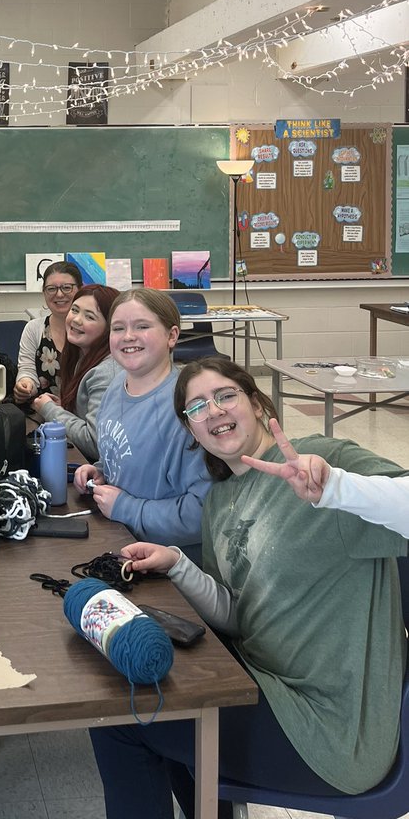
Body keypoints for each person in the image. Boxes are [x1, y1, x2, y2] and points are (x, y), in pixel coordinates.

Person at [91, 356, 409, 819]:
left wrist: (337, 489)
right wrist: (178, 563)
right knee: (149, 685)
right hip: (261, 686)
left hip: (330, 730)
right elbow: (238, 614)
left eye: (225, 396)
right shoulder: (220, 501)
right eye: (197, 407)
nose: (214, 411)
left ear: (258, 404)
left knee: (120, 718)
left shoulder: (322, 462)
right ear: (191, 430)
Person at [72, 288, 211, 560]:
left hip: (169, 564)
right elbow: (131, 455)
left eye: (142, 326)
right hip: (120, 537)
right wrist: (101, 471)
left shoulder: (186, 408)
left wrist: (127, 507)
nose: (128, 337)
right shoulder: (115, 387)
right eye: (118, 328)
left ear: (172, 336)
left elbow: (202, 515)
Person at [244, 414, 409, 537]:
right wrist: (332, 486)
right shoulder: (223, 489)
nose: (217, 411)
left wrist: (332, 486)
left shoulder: (326, 451)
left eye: (227, 396)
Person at [32, 284, 120, 461]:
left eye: (89, 316)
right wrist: (64, 408)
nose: (76, 320)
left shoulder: (106, 372)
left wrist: (51, 410)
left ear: (109, 327)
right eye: (75, 310)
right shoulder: (82, 355)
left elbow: (95, 444)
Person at [14, 260, 83, 406]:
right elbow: (27, 370)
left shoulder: (91, 329)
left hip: (83, 414)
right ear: (44, 292)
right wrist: (25, 385)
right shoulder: (33, 328)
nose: (59, 294)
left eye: (67, 287)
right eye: (51, 288)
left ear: (80, 290)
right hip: (43, 411)